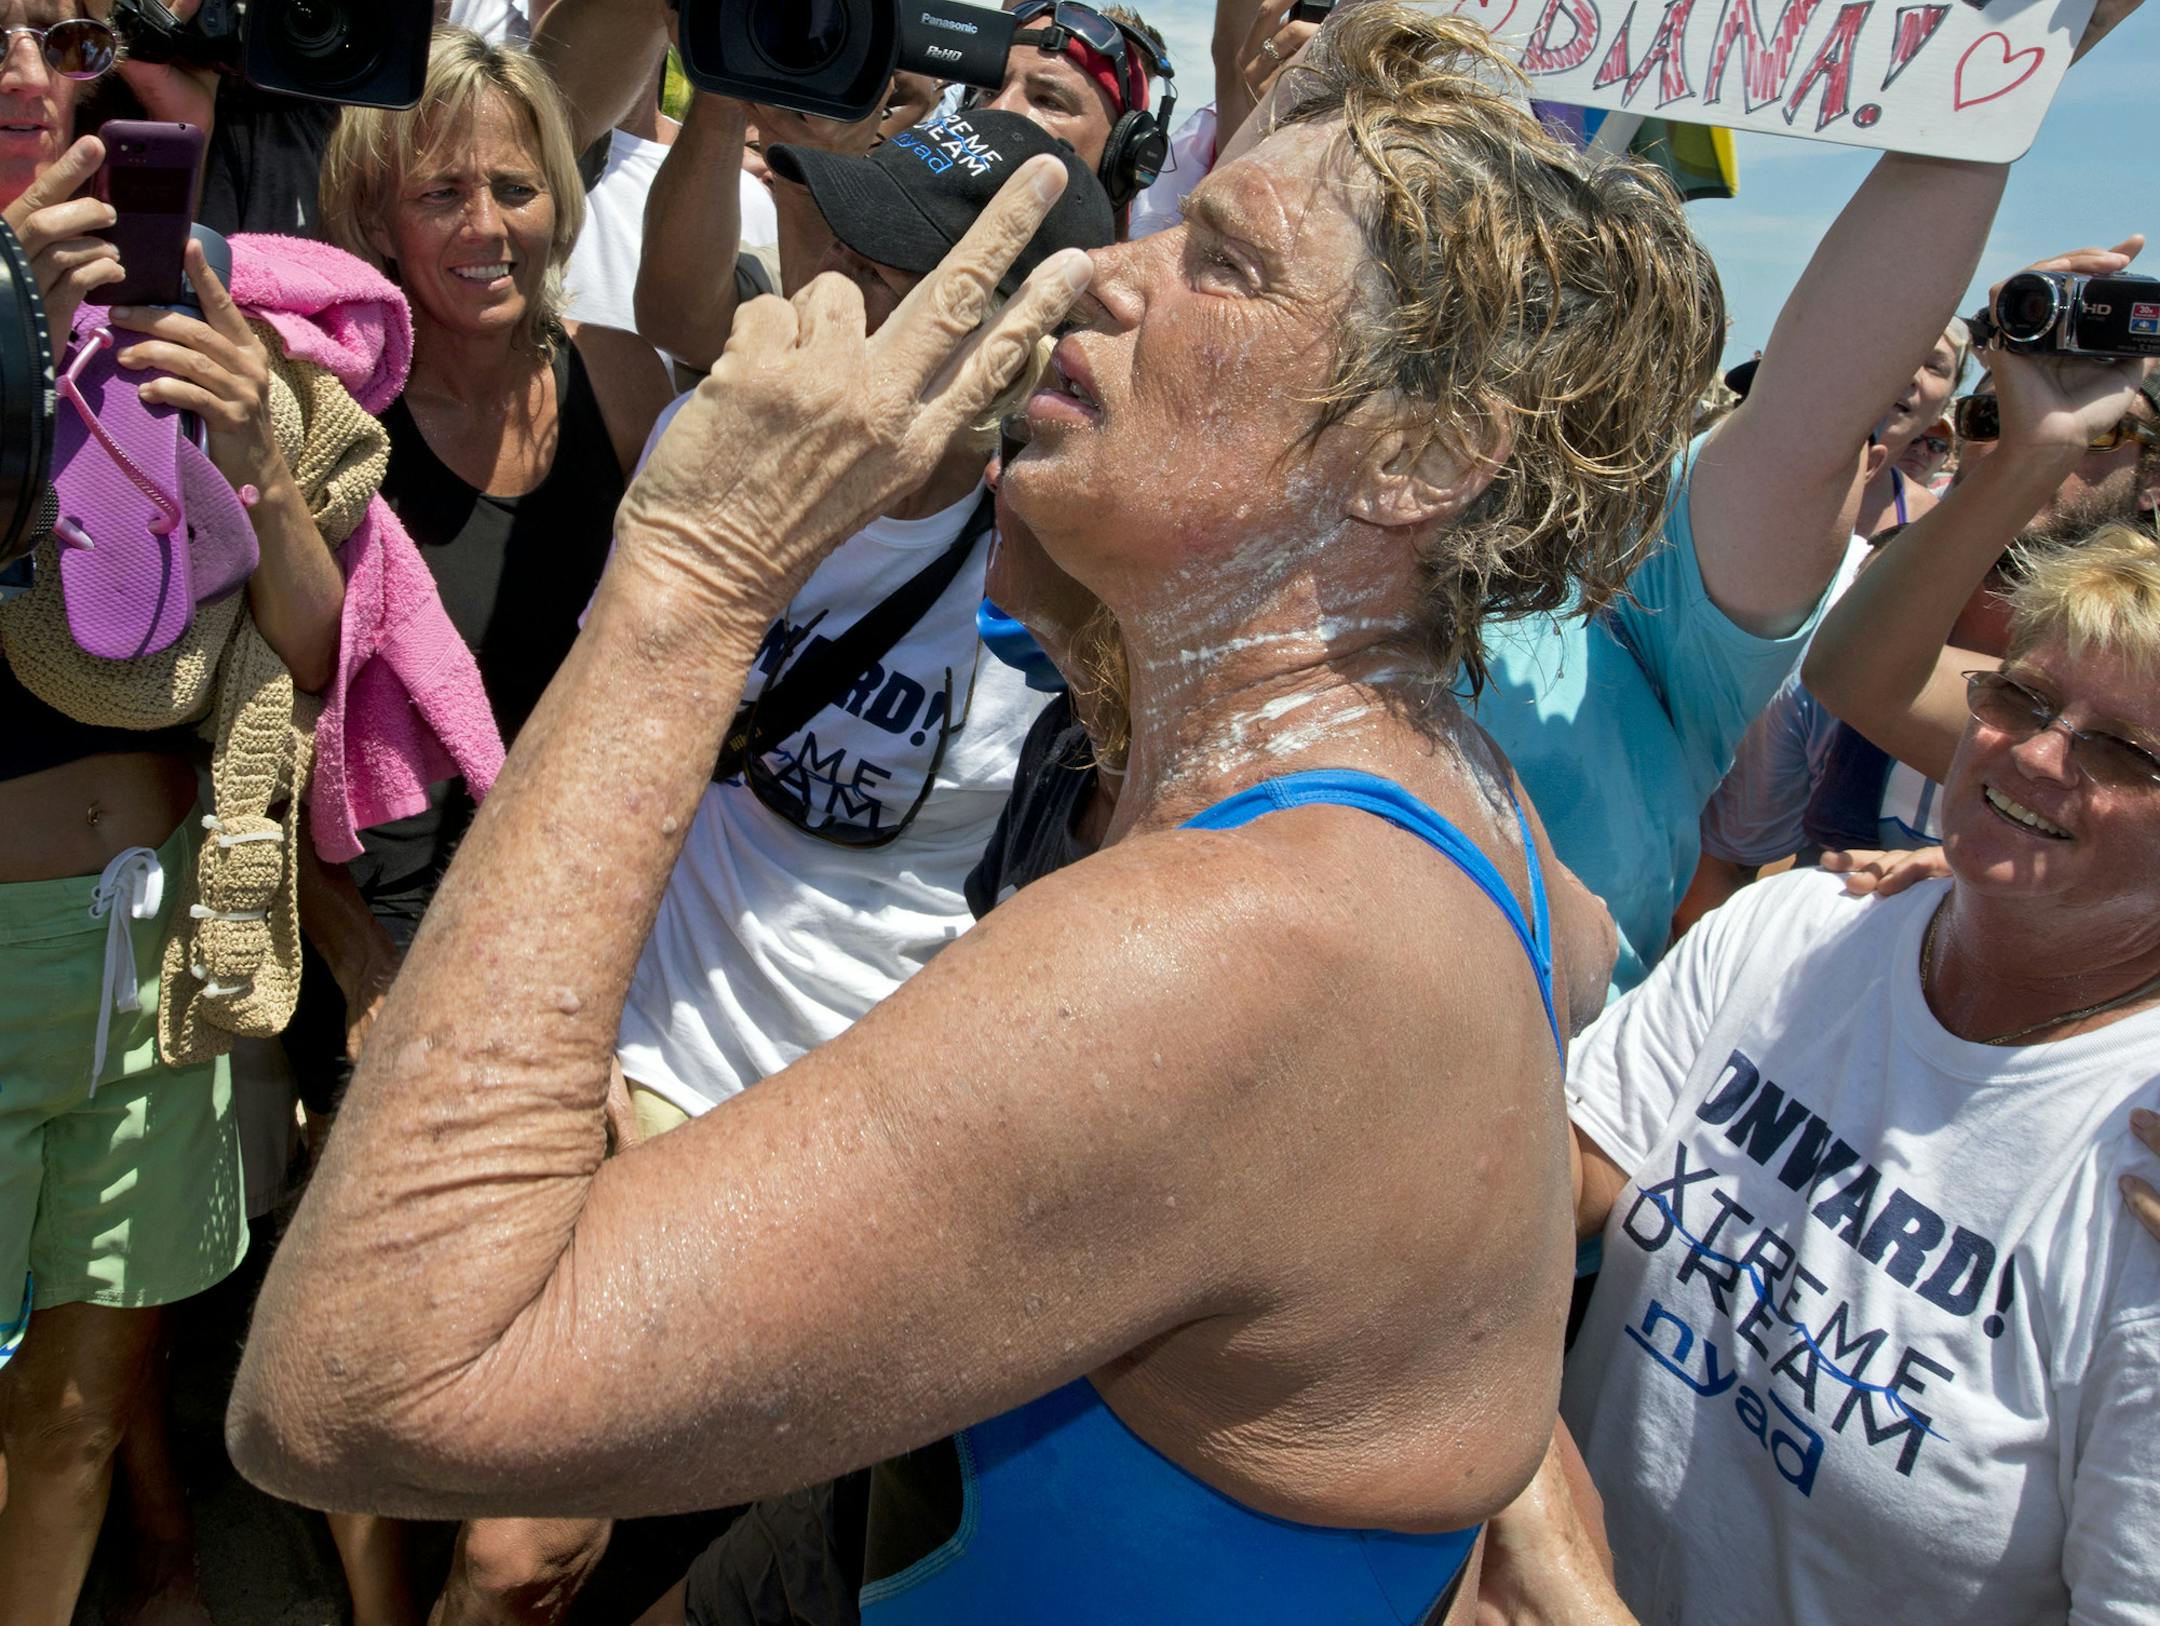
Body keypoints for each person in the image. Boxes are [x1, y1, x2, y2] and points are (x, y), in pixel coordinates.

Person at [228, 12, 1721, 1625]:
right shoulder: (1460, 801)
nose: (1104, 277)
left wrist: (695, 570)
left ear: (1424, 457)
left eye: (1220, 261)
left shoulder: (1224, 951)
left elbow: (358, 1377)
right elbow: (1564, 973)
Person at [1540, 479, 2160, 1622]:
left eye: (2123, 753)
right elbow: (1565, 1179)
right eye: (2022, 698)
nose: (2034, 756)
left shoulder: (2141, 1178)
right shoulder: (1801, 929)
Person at [301, 27, 672, 1625]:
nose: (484, 221)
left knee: (553, 1351)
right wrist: (361, 977)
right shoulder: (320, 428)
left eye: (515, 184)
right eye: (439, 188)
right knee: (372, 1366)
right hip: (390, 943)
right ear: (377, 217)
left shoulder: (624, 381)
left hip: (591, 948)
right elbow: (263, 744)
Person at [0, 4, 348, 1619]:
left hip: (153, 968)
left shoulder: (192, 285)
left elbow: (307, 645)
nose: (29, 81)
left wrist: (256, 458)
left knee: (71, 1424)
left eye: (58, 39)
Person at [634, 0, 1170, 372]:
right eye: (988, 90)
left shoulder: (1116, 349)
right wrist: (727, 83)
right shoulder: (870, 234)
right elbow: (678, 322)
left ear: (1126, 160)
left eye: (1048, 100)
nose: (1002, 111)